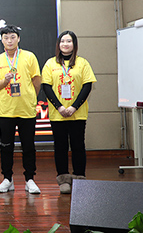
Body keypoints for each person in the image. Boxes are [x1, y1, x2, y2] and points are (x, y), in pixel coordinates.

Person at [0, 25, 42, 194]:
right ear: (1, 40)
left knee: (28, 146)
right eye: (6, 38)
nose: (9, 41)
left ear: (18, 38)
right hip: (6, 111)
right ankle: (7, 179)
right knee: (6, 146)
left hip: (26, 110)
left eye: (12, 37)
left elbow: (37, 81)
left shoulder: (29, 56)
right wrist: (5, 81)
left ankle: (30, 179)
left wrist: (30, 98)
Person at [42, 30, 96, 194]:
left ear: (74, 44)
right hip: (57, 114)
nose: (65, 44)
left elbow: (87, 86)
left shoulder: (83, 63)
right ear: (58, 44)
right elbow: (46, 87)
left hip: (77, 113)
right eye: (62, 41)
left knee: (78, 146)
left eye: (69, 41)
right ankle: (63, 179)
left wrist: (74, 107)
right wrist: (59, 106)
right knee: (60, 146)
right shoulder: (50, 63)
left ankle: (80, 178)